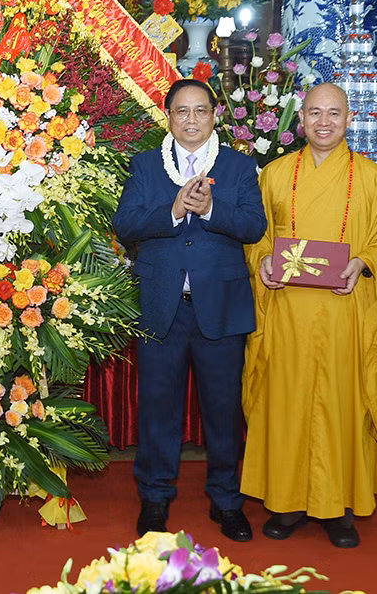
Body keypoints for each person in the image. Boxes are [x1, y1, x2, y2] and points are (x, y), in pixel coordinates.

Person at [241, 83, 377, 548]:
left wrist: (364, 262)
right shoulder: (275, 175)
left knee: (342, 405)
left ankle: (339, 505)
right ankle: (287, 502)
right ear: (300, 119)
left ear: (349, 119)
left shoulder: (372, 179)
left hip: (346, 313)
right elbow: (254, 235)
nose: (324, 122)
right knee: (287, 404)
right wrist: (262, 261)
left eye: (334, 113)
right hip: (287, 314)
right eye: (315, 113)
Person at [112, 79, 266, 541]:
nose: (192, 119)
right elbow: (124, 224)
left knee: (223, 410)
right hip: (162, 307)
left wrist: (213, 208)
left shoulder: (239, 166)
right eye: (182, 111)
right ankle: (155, 498)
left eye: (201, 110)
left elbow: (254, 226)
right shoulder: (145, 165)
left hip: (220, 307)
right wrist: (173, 211)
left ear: (215, 116)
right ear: (168, 117)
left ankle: (227, 500)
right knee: (158, 408)